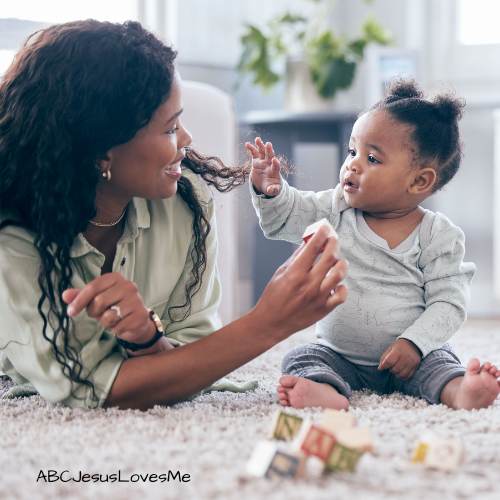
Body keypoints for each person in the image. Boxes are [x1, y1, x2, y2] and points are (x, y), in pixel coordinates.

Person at [0, 20, 349, 410]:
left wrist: (148, 338)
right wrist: (269, 322)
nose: (186, 140)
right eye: (169, 129)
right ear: (100, 152)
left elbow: (194, 357)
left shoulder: (186, 203)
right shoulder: (12, 238)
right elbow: (86, 388)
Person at [247, 78, 500, 411]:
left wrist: (415, 343)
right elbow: (292, 215)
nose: (352, 163)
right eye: (353, 151)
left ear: (419, 180)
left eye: (373, 159)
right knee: (302, 357)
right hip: (339, 355)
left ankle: (460, 392)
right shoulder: (336, 207)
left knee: (440, 366)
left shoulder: (438, 235)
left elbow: (449, 302)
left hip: (412, 359)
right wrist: (273, 192)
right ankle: (327, 391)